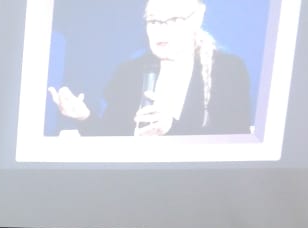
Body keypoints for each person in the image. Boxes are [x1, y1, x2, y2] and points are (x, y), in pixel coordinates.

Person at [48, 0, 251, 136]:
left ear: (197, 19)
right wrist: (84, 117)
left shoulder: (227, 70)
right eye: (153, 20)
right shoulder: (128, 73)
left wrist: (171, 128)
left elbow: (236, 141)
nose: (160, 29)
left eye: (173, 20)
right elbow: (113, 140)